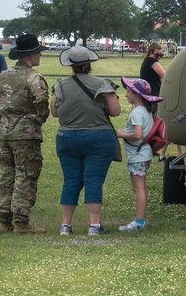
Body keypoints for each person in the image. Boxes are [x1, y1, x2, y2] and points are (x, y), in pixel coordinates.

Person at [0, 34, 50, 234]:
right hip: (26, 134)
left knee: (7, 174)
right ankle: (20, 221)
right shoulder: (34, 77)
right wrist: (39, 118)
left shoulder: (4, 76)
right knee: (26, 174)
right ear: (30, 56)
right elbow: (42, 100)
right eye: (38, 53)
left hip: (5, 132)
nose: (39, 57)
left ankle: (4, 220)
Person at [50, 43, 121, 236]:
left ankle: (65, 225)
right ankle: (94, 225)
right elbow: (115, 111)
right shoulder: (102, 84)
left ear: (70, 65)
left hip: (67, 137)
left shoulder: (60, 85)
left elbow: (54, 112)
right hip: (98, 136)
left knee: (71, 180)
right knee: (93, 180)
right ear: (89, 63)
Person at [115, 77, 162, 231]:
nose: (126, 95)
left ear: (137, 95)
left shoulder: (136, 112)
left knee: (139, 188)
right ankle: (139, 221)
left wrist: (121, 134)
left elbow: (137, 134)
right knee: (140, 187)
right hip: (144, 153)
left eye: (128, 92)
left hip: (138, 155)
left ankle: (139, 222)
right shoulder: (146, 111)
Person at [140, 42, 175, 161]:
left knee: (149, 122)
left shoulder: (146, 62)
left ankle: (148, 148)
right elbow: (165, 76)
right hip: (153, 96)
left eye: (161, 55)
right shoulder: (152, 62)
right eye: (157, 55)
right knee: (153, 123)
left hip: (146, 96)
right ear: (151, 53)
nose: (159, 58)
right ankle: (149, 148)